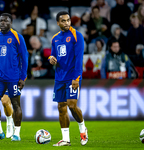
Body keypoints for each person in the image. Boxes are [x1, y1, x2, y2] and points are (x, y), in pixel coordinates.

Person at [0, 13, 28, 141]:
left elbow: (24, 57)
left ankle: (17, 133)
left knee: (16, 104)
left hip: (13, 77)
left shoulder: (17, 37)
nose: (2, 23)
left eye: (5, 21)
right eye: (0, 21)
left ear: (11, 23)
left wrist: (23, 77)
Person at [49, 11, 88, 146]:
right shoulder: (55, 38)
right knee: (61, 107)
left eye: (68, 20)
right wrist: (51, 58)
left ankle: (83, 129)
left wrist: (76, 78)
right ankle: (65, 139)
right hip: (59, 77)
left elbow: (79, 59)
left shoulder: (77, 36)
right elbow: (53, 54)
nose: (67, 23)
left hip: (72, 76)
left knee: (72, 105)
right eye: (63, 21)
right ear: (58, 23)